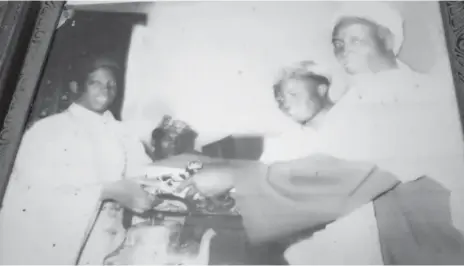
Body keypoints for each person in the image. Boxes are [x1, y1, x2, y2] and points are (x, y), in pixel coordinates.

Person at [160, 2, 463, 265]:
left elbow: (342, 175)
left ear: (385, 38)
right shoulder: (354, 104)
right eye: (338, 44)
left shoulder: (414, 93)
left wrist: (237, 178)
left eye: (354, 39)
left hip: (432, 242)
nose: (343, 50)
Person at [0, 56, 157, 264]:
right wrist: (104, 192)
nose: (106, 91)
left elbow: (145, 173)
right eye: (96, 83)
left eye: (111, 85)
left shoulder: (123, 132)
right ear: (76, 86)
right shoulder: (47, 130)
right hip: (59, 248)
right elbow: (31, 197)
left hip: (110, 247)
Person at [260, 60, 333, 164]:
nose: (285, 104)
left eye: (293, 94)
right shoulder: (284, 141)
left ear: (321, 90)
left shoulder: (349, 126)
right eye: (281, 99)